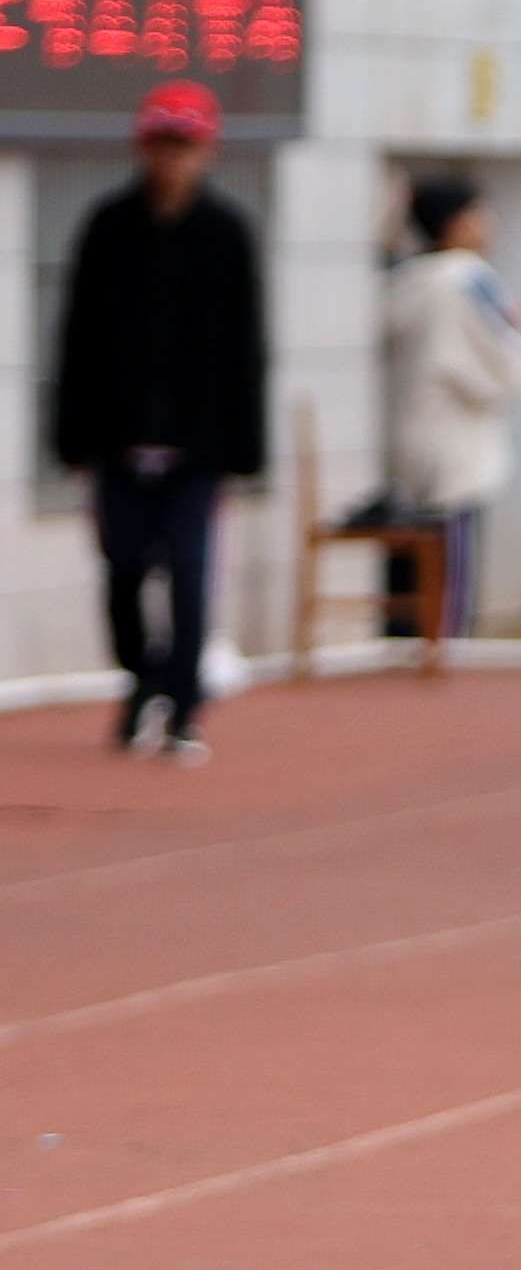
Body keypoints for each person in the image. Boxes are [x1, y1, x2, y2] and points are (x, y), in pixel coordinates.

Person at [53, 83, 267, 762]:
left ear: (205, 151)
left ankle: (183, 704)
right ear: (143, 146)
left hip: (197, 444)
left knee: (188, 569)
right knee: (120, 568)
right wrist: (71, 433)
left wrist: (244, 444)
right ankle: (142, 676)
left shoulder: (227, 232)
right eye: (162, 144)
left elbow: (246, 346)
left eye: (185, 146)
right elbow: (77, 336)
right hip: (119, 439)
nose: (172, 160)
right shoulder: (108, 225)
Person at [384, 178, 521, 639]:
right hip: (459, 435)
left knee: (415, 557)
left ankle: (412, 647)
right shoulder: (470, 279)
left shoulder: (407, 279)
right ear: (457, 223)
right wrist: (515, 334)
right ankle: (448, 650)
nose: (488, 225)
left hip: (412, 428)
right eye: (479, 213)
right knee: (452, 564)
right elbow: (511, 362)